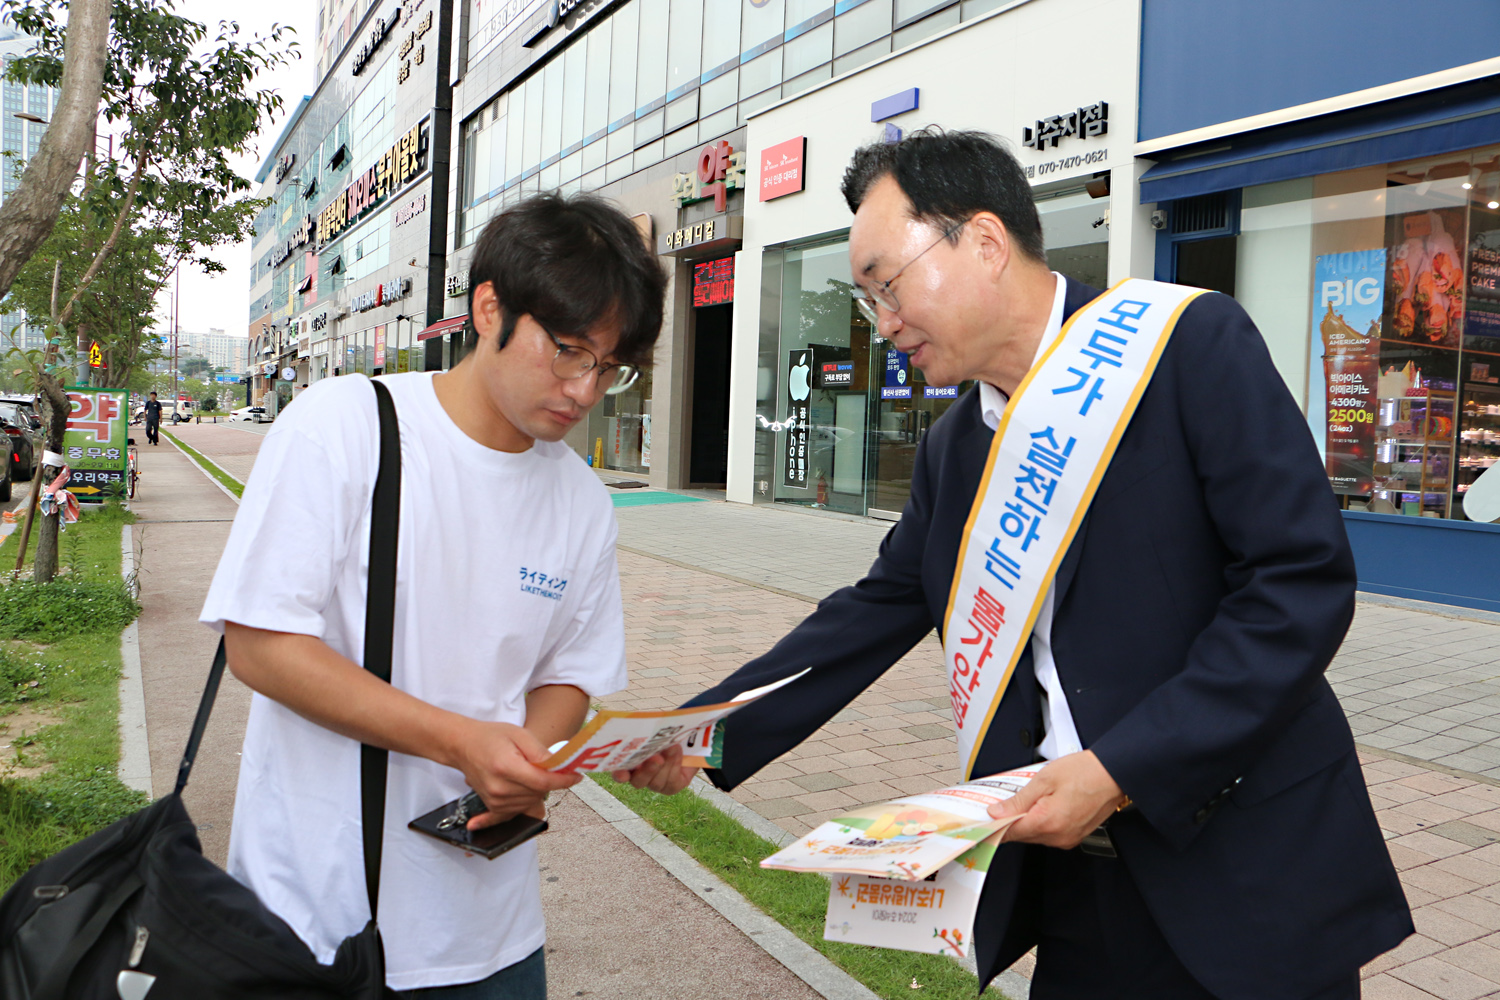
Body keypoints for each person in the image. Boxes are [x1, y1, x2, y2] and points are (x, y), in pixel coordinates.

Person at [621, 130, 1412, 1000]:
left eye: (886, 284)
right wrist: (703, 731)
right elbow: (870, 613)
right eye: (866, 296)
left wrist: (1120, 770)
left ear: (986, 242)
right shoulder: (956, 449)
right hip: (1072, 880)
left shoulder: (1184, 346)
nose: (881, 323)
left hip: (1245, 872)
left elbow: (1297, 586)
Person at [199, 192, 667, 997]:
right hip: (319, 920)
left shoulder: (581, 500)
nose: (586, 389)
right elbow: (261, 644)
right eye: (567, 352)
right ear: (491, 310)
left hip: (494, 934)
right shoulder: (345, 426)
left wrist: (535, 758)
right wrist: (461, 742)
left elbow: (568, 674)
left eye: (609, 366)